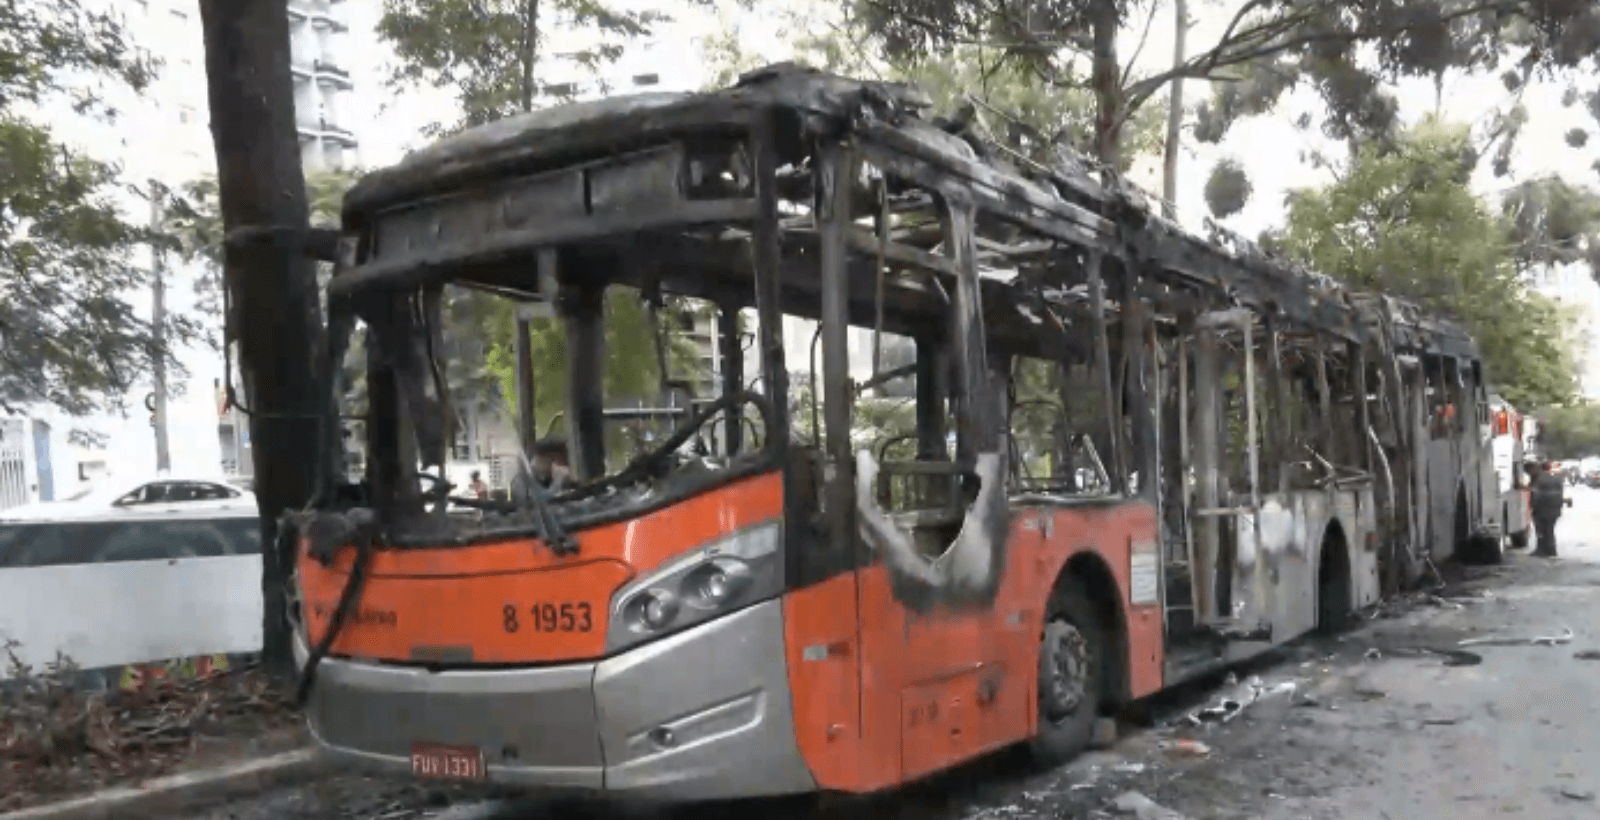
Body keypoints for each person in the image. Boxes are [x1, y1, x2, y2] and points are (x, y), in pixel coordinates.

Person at [1529, 460, 1566, 558]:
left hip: (1542, 508)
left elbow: (1536, 495)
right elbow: (1561, 494)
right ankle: (1551, 549)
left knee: (1541, 530)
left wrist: (1533, 506)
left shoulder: (1540, 479)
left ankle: (1541, 550)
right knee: (1550, 529)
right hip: (1555, 508)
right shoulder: (1558, 479)